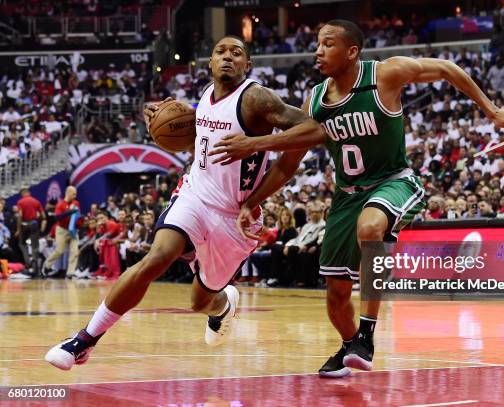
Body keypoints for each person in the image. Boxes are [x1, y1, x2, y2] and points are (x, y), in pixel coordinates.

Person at [210, 20, 504, 377]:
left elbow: (447, 68)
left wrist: (492, 111)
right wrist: (253, 200)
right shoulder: (314, 100)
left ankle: (367, 334)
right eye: (317, 43)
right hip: (346, 196)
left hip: (393, 181)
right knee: (335, 298)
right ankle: (351, 346)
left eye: (327, 44)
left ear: (352, 51)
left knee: (371, 226)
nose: (318, 50)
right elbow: (287, 166)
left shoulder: (385, 75)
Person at [44, 35, 325, 370]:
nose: (227, 57)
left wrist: (255, 145)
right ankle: (84, 340)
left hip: (234, 216)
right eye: (220, 51)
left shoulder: (257, 98)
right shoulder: (205, 96)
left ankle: (222, 308)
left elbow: (314, 131)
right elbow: (203, 143)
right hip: (195, 194)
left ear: (247, 65)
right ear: (209, 62)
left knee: (200, 301)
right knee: (156, 257)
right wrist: (161, 122)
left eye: (237, 53)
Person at [43, 186, 81, 278]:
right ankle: (46, 266)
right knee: (59, 250)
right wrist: (69, 211)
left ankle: (70, 273)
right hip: (62, 230)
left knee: (74, 251)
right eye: (73, 194)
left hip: (73, 230)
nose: (75, 196)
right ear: (68, 193)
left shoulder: (76, 203)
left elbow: (77, 216)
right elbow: (57, 218)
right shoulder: (60, 204)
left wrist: (79, 224)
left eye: (76, 194)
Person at [16, 188, 46, 276]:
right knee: (34, 246)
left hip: (25, 225)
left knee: (22, 244)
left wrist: (18, 229)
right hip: (34, 224)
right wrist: (41, 228)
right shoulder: (36, 201)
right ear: (29, 193)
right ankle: (36, 267)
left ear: (23, 193)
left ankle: (28, 263)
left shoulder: (20, 202)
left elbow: (20, 215)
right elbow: (43, 216)